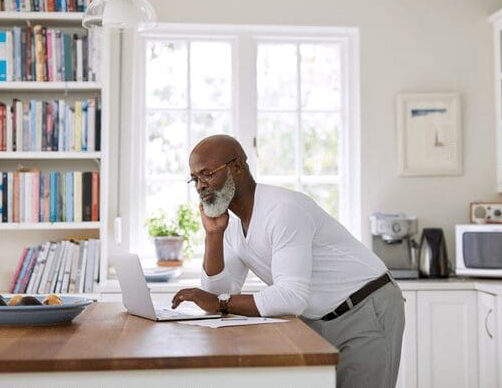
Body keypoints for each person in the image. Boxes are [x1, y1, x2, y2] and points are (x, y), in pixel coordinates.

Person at [172, 135, 404, 388]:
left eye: (206, 174)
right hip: (316, 317)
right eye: (195, 178)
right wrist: (213, 236)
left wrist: (218, 302)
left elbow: (290, 296)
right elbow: (216, 297)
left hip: (364, 307)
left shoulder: (282, 210)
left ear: (236, 167)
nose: (200, 186)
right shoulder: (231, 222)